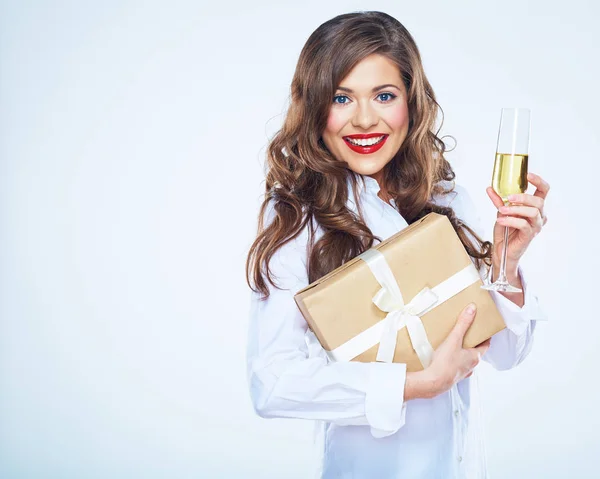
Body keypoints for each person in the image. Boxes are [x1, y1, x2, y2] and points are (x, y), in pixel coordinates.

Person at [245, 11, 549, 479]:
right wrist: (416, 384)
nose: (364, 119)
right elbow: (273, 383)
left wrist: (506, 258)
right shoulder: (297, 216)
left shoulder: (447, 199)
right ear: (313, 107)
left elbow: (505, 354)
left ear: (412, 102)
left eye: (384, 96)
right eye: (341, 97)